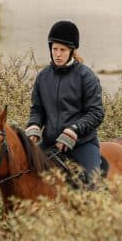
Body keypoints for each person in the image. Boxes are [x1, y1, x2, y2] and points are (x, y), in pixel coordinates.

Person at [25, 20, 104, 189]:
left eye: (63, 50)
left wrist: (73, 130)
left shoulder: (87, 77)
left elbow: (96, 113)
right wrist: (34, 125)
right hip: (50, 143)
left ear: (72, 51)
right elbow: (37, 109)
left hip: (82, 144)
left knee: (92, 187)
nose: (58, 54)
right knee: (26, 174)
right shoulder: (43, 77)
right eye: (55, 49)